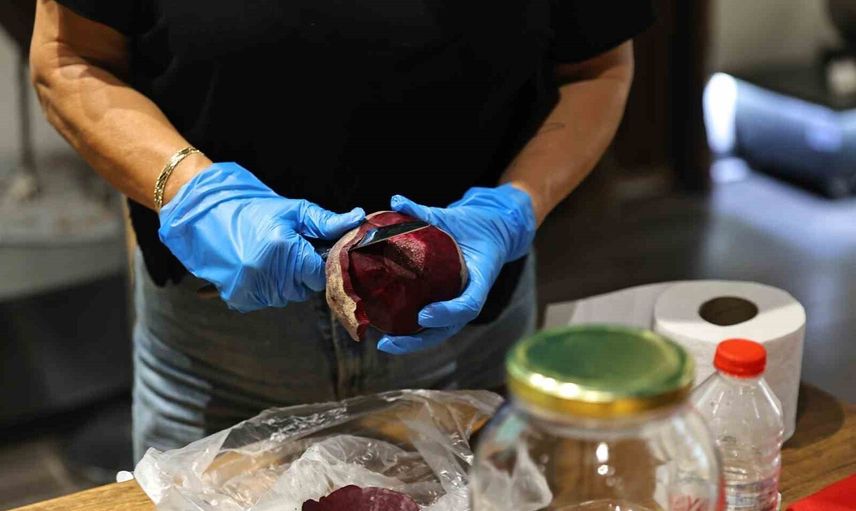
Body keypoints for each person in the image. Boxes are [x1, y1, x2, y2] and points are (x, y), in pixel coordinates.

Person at [30, 0, 654, 460]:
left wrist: (514, 206)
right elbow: (69, 58)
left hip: (463, 344)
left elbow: (597, 68)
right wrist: (193, 190)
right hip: (220, 356)